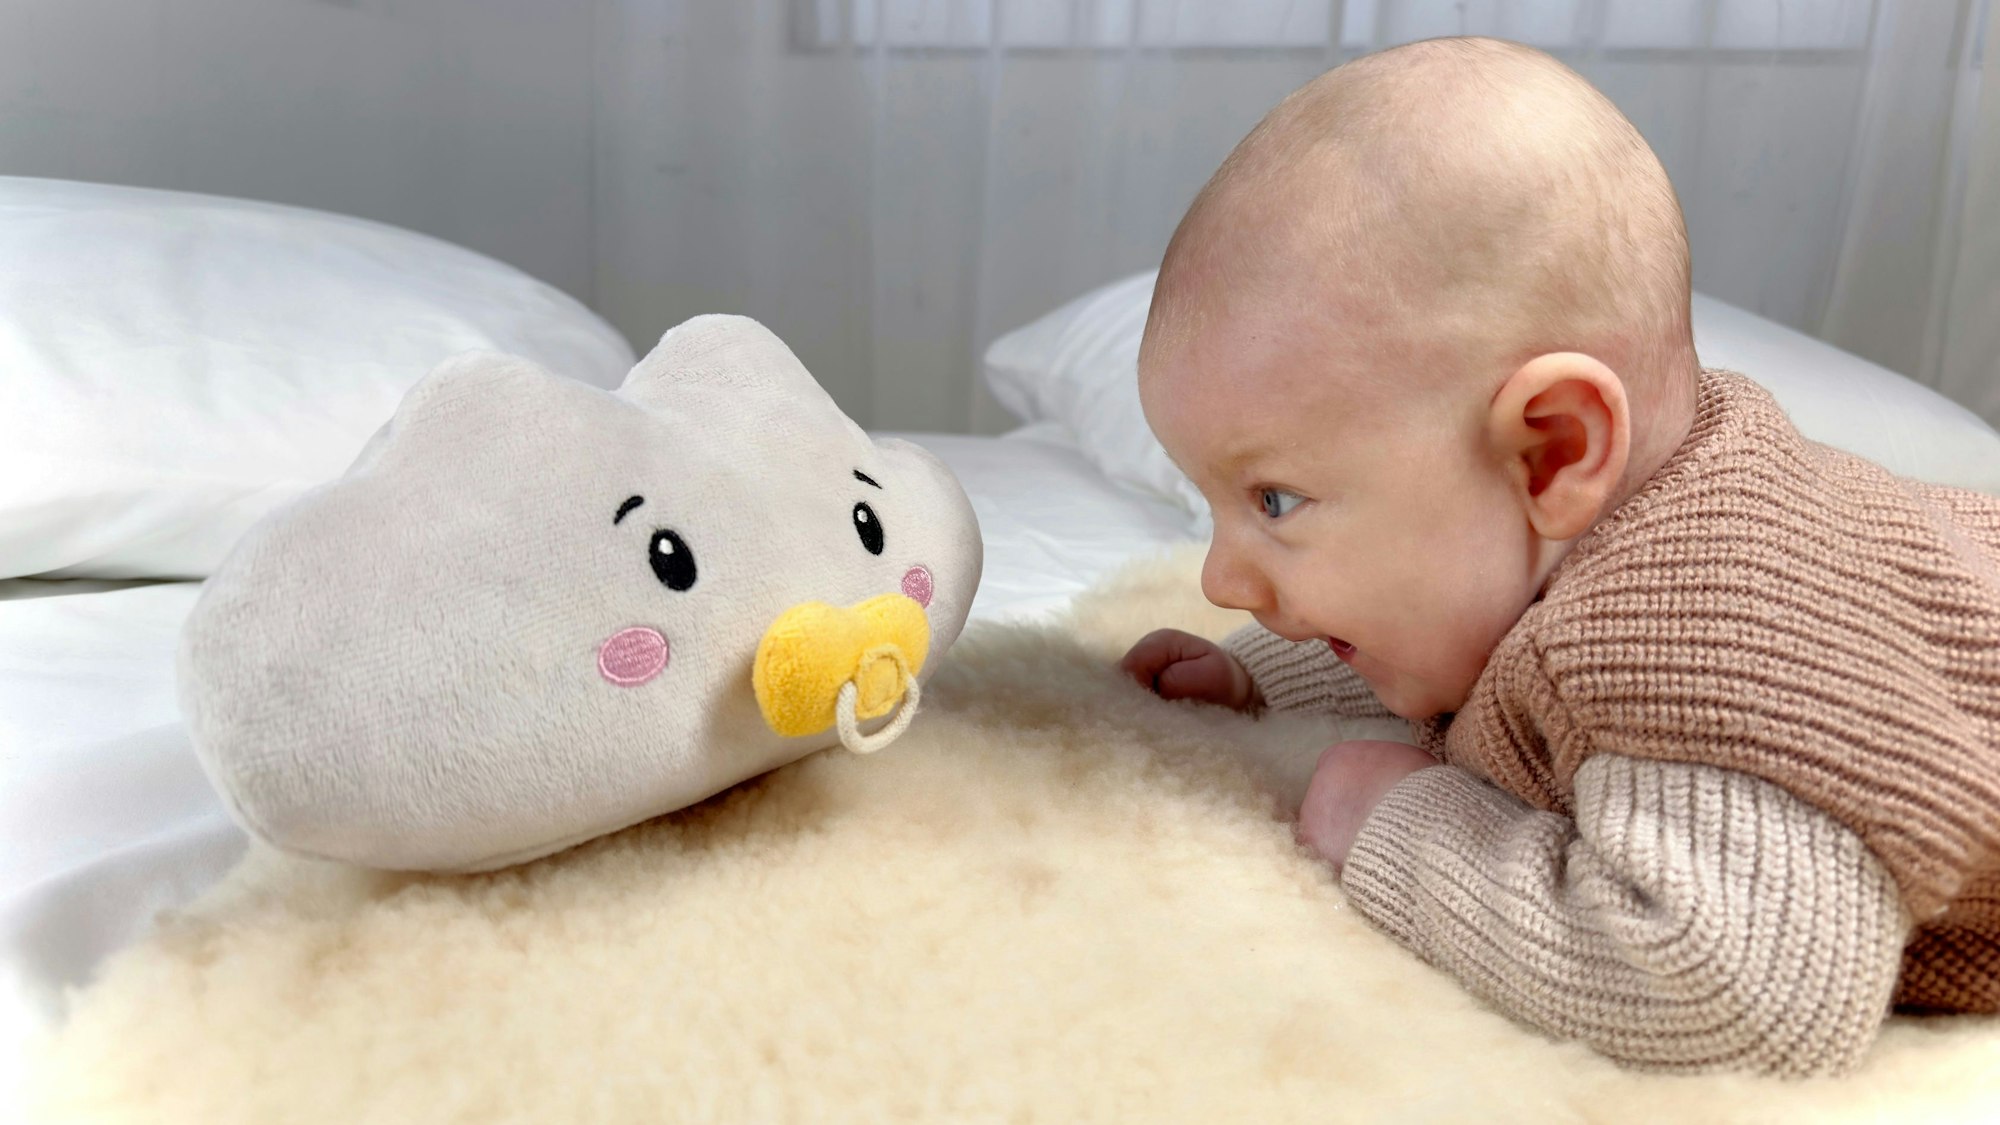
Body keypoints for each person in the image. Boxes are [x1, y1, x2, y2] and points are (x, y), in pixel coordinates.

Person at [1119, 36, 2000, 1077]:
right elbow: (1472, 635)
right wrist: (1258, 677)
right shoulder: (1614, 528)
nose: (1224, 578)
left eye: (1276, 500)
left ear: (1552, 450)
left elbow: (1740, 995)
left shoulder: (1697, 637)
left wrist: (1398, 826)